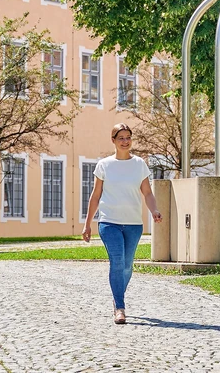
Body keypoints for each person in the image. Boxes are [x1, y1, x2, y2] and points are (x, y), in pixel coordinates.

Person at [82, 123, 163, 325]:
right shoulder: (104, 165)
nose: (125, 141)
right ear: (113, 141)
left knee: (127, 266)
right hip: (109, 222)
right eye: (121, 138)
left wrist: (154, 210)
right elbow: (95, 196)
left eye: (128, 137)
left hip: (134, 223)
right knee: (117, 261)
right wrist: (87, 223)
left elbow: (147, 193)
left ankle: (117, 292)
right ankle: (119, 306)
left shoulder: (139, 164)